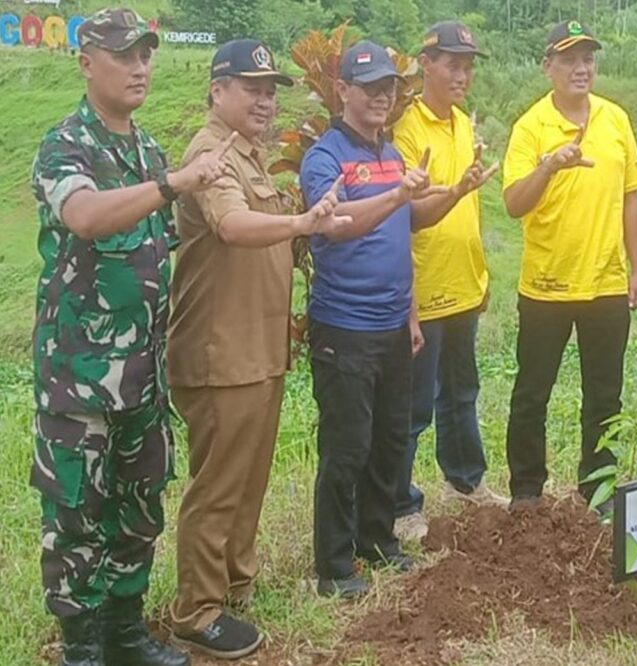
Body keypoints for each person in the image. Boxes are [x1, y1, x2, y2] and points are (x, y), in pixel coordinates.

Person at [29, 8, 229, 666]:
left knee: (139, 508)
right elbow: (85, 215)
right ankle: (82, 646)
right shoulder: (67, 145)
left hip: (142, 377)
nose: (140, 65)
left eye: (146, 53)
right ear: (87, 64)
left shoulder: (146, 151)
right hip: (79, 380)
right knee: (76, 515)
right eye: (124, 55)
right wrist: (170, 185)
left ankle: (125, 632)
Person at [167, 40, 355, 658]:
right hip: (222, 353)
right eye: (251, 87)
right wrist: (302, 225)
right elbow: (231, 225)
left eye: (271, 89)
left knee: (248, 478)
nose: (266, 100)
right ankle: (197, 610)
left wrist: (306, 232)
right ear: (218, 91)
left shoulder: (250, 156)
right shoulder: (210, 153)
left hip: (259, 348)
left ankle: (234, 583)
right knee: (219, 485)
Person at [299, 40, 489, 599]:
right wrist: (396, 194)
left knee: (388, 440)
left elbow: (410, 221)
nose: (381, 97)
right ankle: (334, 566)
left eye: (387, 88)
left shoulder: (387, 154)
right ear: (343, 93)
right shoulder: (326, 157)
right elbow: (333, 224)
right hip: (345, 327)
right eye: (369, 88)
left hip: (392, 323)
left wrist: (456, 190)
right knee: (347, 446)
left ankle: (376, 539)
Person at [502, 19, 637, 509]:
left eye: (587, 58)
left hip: (606, 284)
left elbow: (630, 197)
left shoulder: (616, 119)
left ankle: (599, 486)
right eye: (568, 59)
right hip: (545, 285)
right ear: (548, 67)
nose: (581, 68)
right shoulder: (530, 127)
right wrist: (548, 165)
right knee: (531, 393)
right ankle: (526, 490)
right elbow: (513, 204)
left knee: (605, 396)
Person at [391, 21, 505, 541]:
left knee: (462, 392)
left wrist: (480, 275)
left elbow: (469, 201)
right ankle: (400, 504)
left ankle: (467, 481)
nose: (463, 74)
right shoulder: (407, 128)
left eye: (469, 65)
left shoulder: (462, 123)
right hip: (423, 286)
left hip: (463, 285)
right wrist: (457, 191)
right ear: (426, 64)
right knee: (414, 404)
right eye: (453, 64)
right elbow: (411, 209)